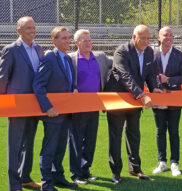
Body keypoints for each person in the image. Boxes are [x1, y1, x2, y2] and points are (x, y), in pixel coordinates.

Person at [104, 25, 162, 184]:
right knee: (115, 136)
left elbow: (150, 73)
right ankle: (116, 172)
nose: (146, 41)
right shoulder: (121, 51)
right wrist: (142, 95)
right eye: (142, 38)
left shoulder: (150, 52)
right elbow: (125, 76)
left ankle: (135, 168)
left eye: (148, 38)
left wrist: (154, 88)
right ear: (134, 37)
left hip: (135, 100)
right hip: (118, 100)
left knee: (134, 134)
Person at [0, 16, 44, 191]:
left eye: (34, 27)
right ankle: (14, 185)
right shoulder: (11, 49)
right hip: (17, 106)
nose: (32, 31)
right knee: (15, 146)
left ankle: (25, 178)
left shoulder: (39, 48)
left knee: (29, 143)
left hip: (34, 104)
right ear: (19, 31)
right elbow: (3, 79)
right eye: (28, 28)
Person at [33, 26, 78, 191]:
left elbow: (70, 81)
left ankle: (58, 177)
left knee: (60, 147)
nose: (68, 41)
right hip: (52, 113)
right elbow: (38, 85)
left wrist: (74, 88)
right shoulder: (49, 58)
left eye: (68, 38)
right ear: (54, 40)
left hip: (66, 112)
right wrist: (48, 107)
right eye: (64, 38)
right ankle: (46, 183)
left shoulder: (67, 59)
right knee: (49, 148)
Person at [68, 29, 112, 185]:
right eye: (84, 40)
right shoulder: (70, 59)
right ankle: (76, 174)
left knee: (90, 141)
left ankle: (86, 170)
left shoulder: (100, 57)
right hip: (77, 107)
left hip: (95, 105)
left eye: (89, 40)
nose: (88, 43)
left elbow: (116, 65)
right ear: (76, 43)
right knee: (76, 140)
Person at [151, 26, 182, 176]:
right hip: (158, 98)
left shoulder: (180, 55)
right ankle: (162, 162)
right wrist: (154, 87)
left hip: (174, 99)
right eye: (165, 35)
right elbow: (148, 75)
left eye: (171, 35)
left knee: (174, 131)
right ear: (159, 37)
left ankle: (174, 163)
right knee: (160, 131)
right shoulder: (152, 54)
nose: (168, 38)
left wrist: (169, 80)